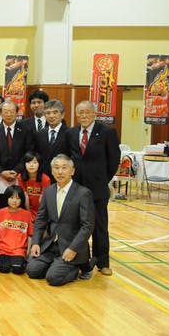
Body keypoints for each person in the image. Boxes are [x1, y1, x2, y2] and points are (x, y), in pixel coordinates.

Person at [68, 101, 119, 276]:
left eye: (87, 112)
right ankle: (81, 260)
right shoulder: (71, 133)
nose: (84, 116)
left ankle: (102, 262)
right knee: (76, 225)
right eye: (80, 112)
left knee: (99, 226)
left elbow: (113, 161)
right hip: (76, 188)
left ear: (94, 114)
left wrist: (102, 180)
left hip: (97, 189)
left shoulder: (107, 132)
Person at [27, 154, 95, 286]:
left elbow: (87, 226)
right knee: (32, 270)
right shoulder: (48, 191)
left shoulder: (83, 193)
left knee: (53, 278)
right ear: (52, 171)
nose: (60, 172)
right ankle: (57, 265)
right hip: (52, 245)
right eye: (56, 168)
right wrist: (35, 242)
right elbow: (40, 219)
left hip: (71, 246)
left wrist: (73, 249)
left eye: (64, 168)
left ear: (72, 171)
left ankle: (77, 267)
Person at [0, 100, 34, 208]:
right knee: (1, 206)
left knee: (19, 205)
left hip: (20, 175)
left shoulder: (26, 130)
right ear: (1, 112)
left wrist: (17, 170)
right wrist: (1, 172)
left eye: (12, 111)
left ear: (17, 113)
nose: (9, 114)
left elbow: (29, 152)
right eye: (5, 111)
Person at [0, 185, 32, 274]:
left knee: (18, 269)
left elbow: (30, 234)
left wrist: (28, 250)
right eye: (11, 198)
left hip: (19, 249)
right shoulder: (0, 213)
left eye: (18, 198)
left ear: (22, 200)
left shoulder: (27, 214)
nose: (14, 201)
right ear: (6, 198)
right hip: (2, 248)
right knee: (4, 268)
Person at [34, 99, 70, 181]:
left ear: (62, 115)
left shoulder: (70, 133)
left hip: (62, 176)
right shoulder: (39, 134)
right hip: (43, 177)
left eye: (55, 112)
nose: (51, 116)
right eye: (48, 113)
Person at [18, 152, 51, 219]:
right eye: (28, 162)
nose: (31, 165)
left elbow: (42, 200)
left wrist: (40, 216)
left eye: (34, 162)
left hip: (42, 210)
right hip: (27, 209)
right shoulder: (20, 177)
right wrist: (28, 214)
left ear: (39, 164)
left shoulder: (45, 179)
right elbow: (25, 196)